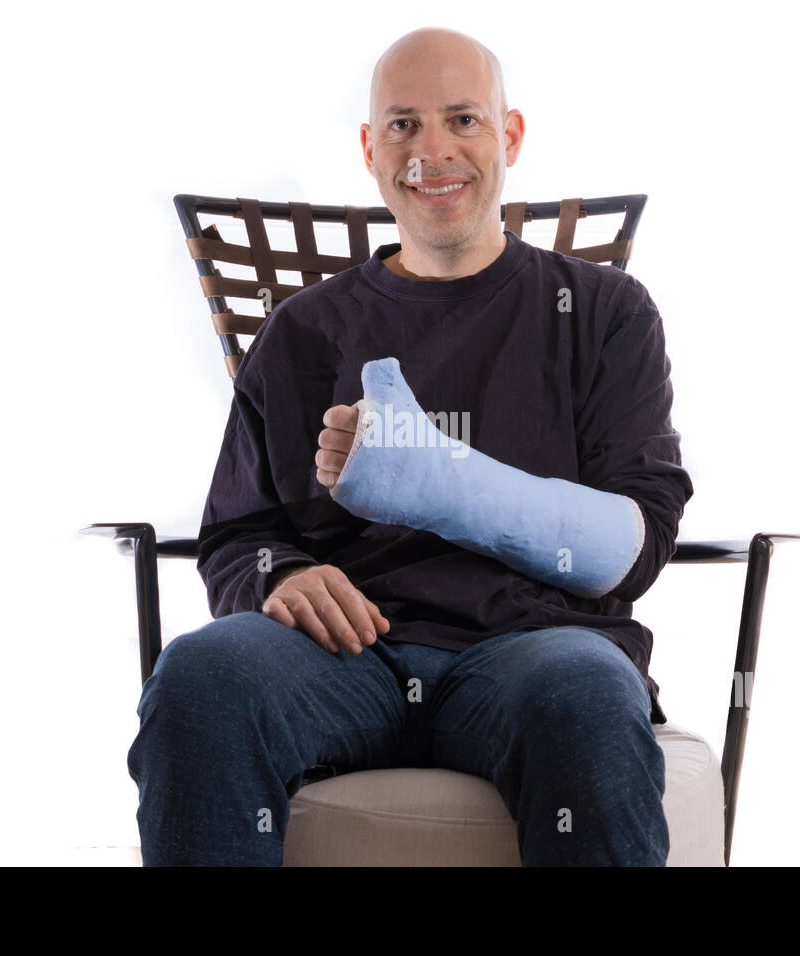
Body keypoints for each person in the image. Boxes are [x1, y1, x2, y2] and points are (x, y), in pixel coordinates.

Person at [127, 26, 694, 866]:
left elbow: (634, 548)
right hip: (340, 655)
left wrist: (440, 476)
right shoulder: (305, 331)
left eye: (463, 119)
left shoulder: (605, 311)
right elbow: (234, 538)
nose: (432, 150)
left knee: (584, 694)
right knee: (199, 678)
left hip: (532, 650)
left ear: (511, 136)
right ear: (368, 148)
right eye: (402, 125)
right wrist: (282, 575)